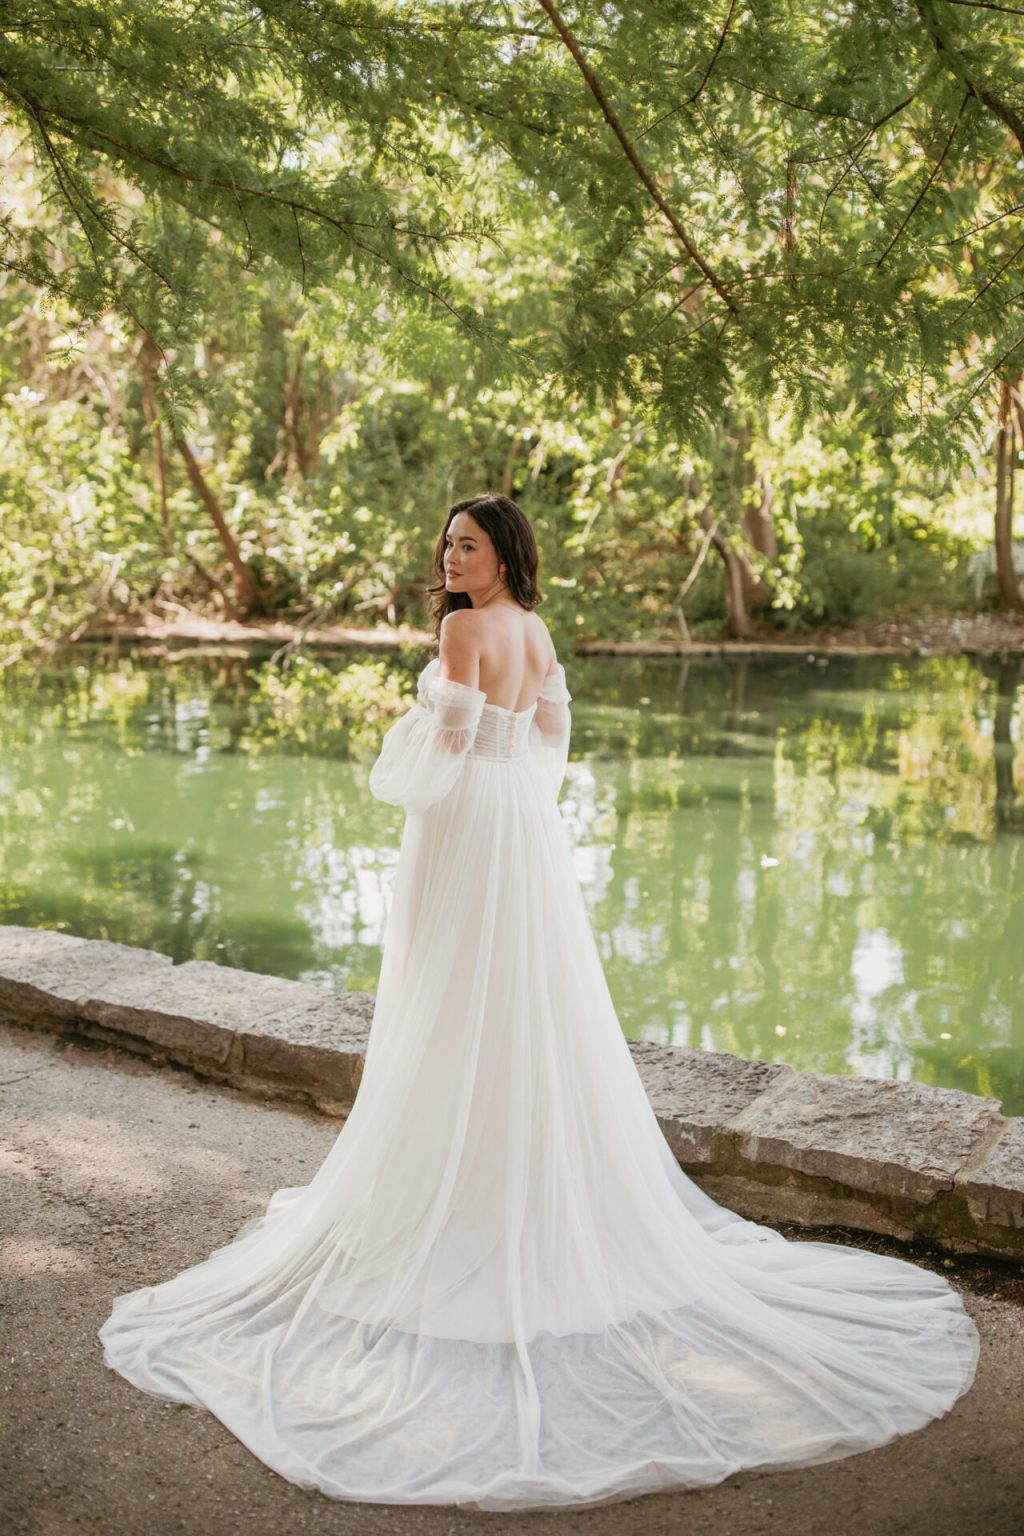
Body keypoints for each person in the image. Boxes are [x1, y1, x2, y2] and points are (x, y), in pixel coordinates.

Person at [99, 493, 979, 1511]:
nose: (449, 554)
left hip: (466, 825)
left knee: (450, 1003)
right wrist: (511, 784)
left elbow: (444, 759)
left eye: (465, 543)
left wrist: (408, 746)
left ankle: (459, 1198)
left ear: (502, 554)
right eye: (445, 542)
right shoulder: (534, 628)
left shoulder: (464, 627)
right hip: (521, 828)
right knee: (523, 1005)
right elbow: (551, 726)